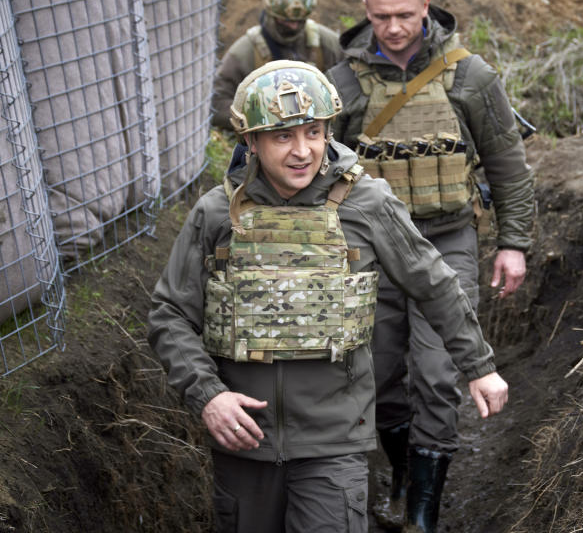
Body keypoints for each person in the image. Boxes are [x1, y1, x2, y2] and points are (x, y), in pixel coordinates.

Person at [147, 61, 508, 533]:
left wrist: (478, 366)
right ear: (251, 141)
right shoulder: (217, 213)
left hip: (334, 444)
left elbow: (434, 284)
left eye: (314, 133)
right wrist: (209, 396)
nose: (303, 151)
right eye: (283, 137)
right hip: (243, 444)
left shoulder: (367, 204)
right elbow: (169, 314)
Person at [326, 0, 535, 532]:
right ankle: (402, 477)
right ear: (365, 13)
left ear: (426, 7)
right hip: (369, 253)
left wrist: (512, 243)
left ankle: (423, 515)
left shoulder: (471, 77)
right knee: (382, 374)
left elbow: (508, 166)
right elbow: (317, 171)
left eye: (404, 15)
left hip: (447, 240)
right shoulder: (341, 83)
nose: (392, 28)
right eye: (380, 17)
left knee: (439, 373)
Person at [211, 0, 343, 129]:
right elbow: (216, 103)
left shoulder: (327, 43)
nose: (294, 26)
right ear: (269, 13)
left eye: (299, 21)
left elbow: (349, 87)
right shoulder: (244, 52)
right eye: (285, 21)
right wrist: (260, 115)